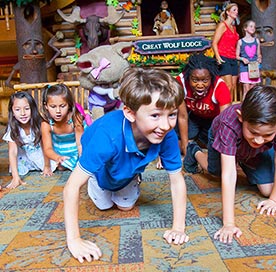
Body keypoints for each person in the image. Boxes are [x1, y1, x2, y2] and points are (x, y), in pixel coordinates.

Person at [63, 67, 190, 263]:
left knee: (126, 207)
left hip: (127, 170)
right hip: (101, 169)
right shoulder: (107, 136)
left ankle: (132, 175)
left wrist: (178, 228)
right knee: (104, 205)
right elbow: (71, 186)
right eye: (155, 115)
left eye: (171, 114)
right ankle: (97, 180)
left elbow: (176, 180)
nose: (165, 125)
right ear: (130, 113)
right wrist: (74, 240)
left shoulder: (167, 135)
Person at [183, 85, 276, 244]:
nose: (259, 139)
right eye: (253, 132)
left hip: (252, 150)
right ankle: (195, 151)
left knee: (268, 190)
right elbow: (229, 174)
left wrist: (274, 200)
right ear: (241, 117)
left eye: (268, 135)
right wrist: (229, 224)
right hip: (220, 135)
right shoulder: (229, 123)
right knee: (216, 171)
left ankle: (243, 158)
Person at [176, 53, 232, 151]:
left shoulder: (220, 87)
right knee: (176, 143)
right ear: (188, 77)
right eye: (195, 80)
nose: (200, 85)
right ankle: (193, 141)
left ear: (211, 78)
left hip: (214, 120)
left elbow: (226, 122)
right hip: (193, 117)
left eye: (205, 80)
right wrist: (185, 150)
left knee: (213, 145)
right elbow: (182, 116)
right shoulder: (181, 82)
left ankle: (199, 141)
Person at [2, 92, 56, 189]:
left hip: (41, 154)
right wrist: (15, 177)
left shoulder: (39, 123)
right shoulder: (13, 127)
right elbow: (13, 152)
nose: (23, 113)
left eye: (27, 109)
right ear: (12, 112)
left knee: (60, 166)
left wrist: (47, 166)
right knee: (19, 168)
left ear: (33, 109)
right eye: (17, 110)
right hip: (25, 157)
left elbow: (45, 146)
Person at [40, 84, 84, 171]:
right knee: (60, 167)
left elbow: (80, 144)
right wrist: (57, 157)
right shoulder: (46, 123)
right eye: (53, 107)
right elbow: (47, 148)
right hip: (59, 152)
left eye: (62, 106)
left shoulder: (75, 118)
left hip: (76, 150)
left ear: (69, 105)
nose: (58, 111)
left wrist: (82, 163)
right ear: (46, 106)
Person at [212, 2, 240, 100]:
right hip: (223, 57)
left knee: (233, 86)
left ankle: (229, 108)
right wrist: (218, 57)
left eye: (237, 10)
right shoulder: (222, 25)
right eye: (234, 10)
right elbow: (214, 43)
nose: (236, 12)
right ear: (228, 12)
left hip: (233, 59)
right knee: (227, 86)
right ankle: (224, 111)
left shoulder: (234, 28)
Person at [236, 19, 262, 98]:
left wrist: (259, 59)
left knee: (253, 90)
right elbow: (236, 56)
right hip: (244, 68)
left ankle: (251, 107)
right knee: (246, 89)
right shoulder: (240, 42)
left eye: (254, 27)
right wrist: (242, 59)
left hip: (254, 67)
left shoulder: (256, 41)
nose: (253, 28)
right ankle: (243, 108)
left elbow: (259, 54)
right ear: (245, 28)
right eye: (251, 26)